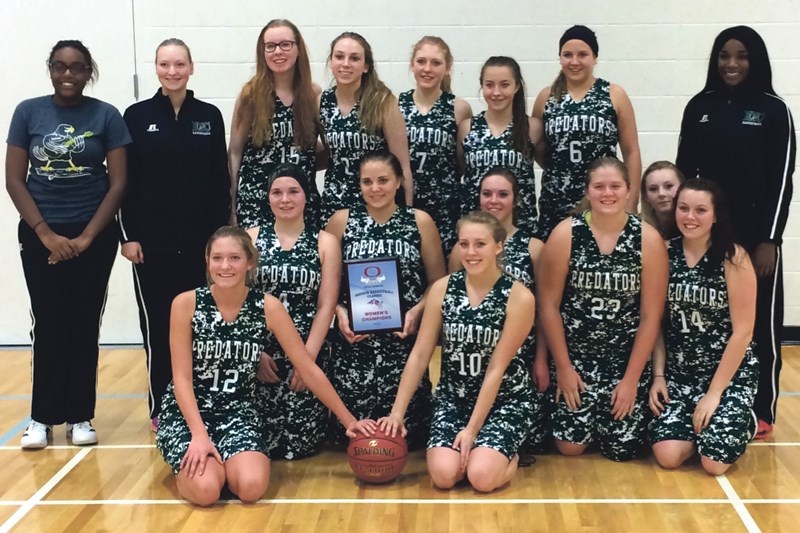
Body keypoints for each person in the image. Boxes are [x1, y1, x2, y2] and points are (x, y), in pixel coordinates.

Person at [155, 226, 374, 506]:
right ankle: (197, 465)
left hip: (238, 412)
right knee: (207, 491)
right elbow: (182, 379)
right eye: (217, 258)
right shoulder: (186, 304)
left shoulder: (266, 306)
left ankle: (223, 466)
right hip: (189, 415)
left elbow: (307, 368)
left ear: (250, 262)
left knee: (251, 488)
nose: (225, 266)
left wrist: (350, 421)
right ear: (207, 262)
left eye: (234, 258)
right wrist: (198, 435)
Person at [6, 40, 130, 449]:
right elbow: (14, 180)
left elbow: (119, 184)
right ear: (50, 69)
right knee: (48, 321)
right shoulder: (28, 112)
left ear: (88, 71)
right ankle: (42, 417)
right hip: (41, 233)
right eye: (60, 67)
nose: (68, 75)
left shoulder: (106, 115)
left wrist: (87, 238)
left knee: (83, 322)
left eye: (77, 68)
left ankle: (80, 416)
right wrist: (45, 233)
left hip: (93, 234)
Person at [676, 26, 795, 439]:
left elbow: (784, 179)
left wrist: (771, 240)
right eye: (724, 55)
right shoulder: (699, 107)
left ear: (755, 60)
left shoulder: (774, 110)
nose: (732, 64)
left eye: (742, 56)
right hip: (703, 232)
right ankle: (701, 396)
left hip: (755, 236)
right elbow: (682, 174)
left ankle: (763, 408)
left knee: (760, 323)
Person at [380, 211, 536, 492]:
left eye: (480, 244)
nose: (471, 252)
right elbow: (420, 354)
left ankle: (509, 454)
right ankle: (479, 452)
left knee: (481, 478)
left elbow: (496, 368)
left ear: (498, 246)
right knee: (443, 476)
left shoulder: (519, 297)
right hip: (454, 399)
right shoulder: (442, 289)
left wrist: (472, 431)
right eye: (464, 244)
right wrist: (396, 413)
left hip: (505, 400)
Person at [121, 38, 230, 432]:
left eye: (179, 64)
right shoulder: (135, 116)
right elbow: (125, 182)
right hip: (151, 246)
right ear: (156, 69)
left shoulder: (209, 116)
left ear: (191, 67)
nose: (172, 71)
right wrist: (128, 236)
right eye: (165, 65)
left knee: (202, 324)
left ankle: (199, 402)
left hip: (202, 245)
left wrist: (219, 242)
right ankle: (160, 405)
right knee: (158, 325)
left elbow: (221, 181)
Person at [537, 157, 668, 461]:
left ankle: (607, 418)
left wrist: (632, 380)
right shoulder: (565, 234)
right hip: (577, 362)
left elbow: (651, 317)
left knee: (622, 450)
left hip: (624, 363)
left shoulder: (647, 239)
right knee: (570, 447)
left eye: (615, 186)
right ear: (588, 191)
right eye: (599, 186)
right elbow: (549, 307)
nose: (607, 193)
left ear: (628, 190)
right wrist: (565, 369)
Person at [325, 150, 445, 448]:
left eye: (383, 180)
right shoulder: (341, 221)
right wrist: (339, 312)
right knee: (353, 442)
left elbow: (438, 283)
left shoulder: (419, 221)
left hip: (403, 344)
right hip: (354, 348)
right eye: (367, 181)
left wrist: (418, 310)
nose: (375, 188)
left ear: (399, 181)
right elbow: (327, 286)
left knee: (409, 439)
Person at [649, 179, 758, 475]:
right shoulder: (663, 253)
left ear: (716, 214)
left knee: (714, 464)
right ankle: (701, 432)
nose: (690, 217)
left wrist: (714, 394)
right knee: (667, 456)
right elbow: (655, 323)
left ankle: (740, 420)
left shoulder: (734, 258)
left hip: (726, 375)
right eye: (683, 208)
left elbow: (743, 332)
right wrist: (658, 375)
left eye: (700, 210)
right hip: (681, 374)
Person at [448, 168, 547, 451]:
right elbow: (450, 303)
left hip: (516, 363)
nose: (494, 200)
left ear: (515, 199)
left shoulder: (534, 247)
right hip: (470, 363)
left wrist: (540, 358)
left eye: (503, 194)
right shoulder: (461, 250)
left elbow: (543, 310)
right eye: (486, 193)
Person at [246, 163, 339, 459]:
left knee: (303, 447)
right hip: (264, 355)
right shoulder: (249, 239)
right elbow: (240, 303)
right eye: (277, 192)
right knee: (262, 447)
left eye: (293, 191)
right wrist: (254, 353)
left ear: (306, 195)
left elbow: (326, 305)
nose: (285, 199)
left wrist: (307, 360)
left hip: (306, 348)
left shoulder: (326, 242)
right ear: (268, 197)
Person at [532, 25, 641, 240]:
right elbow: (537, 147)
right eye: (567, 55)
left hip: (603, 197)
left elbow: (631, 151)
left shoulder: (613, 94)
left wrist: (631, 200)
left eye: (582, 54)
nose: (574, 61)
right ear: (560, 58)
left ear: (595, 57)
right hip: (556, 201)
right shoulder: (547, 97)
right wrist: (561, 169)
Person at [229, 19, 321, 229]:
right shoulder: (250, 95)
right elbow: (235, 153)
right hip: (256, 205)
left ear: (298, 49)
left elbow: (328, 148)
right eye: (270, 46)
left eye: (285, 44)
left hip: (301, 205)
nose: (278, 51)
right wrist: (232, 206)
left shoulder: (313, 95)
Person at [319, 32, 413, 226]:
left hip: (375, 201)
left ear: (366, 66)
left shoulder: (383, 102)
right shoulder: (322, 102)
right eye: (339, 56)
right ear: (331, 62)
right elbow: (327, 151)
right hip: (333, 203)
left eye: (354, 58)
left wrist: (407, 215)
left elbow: (402, 165)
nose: (346, 64)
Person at [399, 36, 472, 254]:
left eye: (436, 62)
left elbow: (461, 162)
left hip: (444, 207)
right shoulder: (395, 104)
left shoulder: (459, 108)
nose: (427, 69)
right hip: (406, 203)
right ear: (412, 64)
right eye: (421, 61)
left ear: (448, 68)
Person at [458, 56, 542, 235]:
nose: (496, 92)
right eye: (489, 85)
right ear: (482, 86)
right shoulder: (467, 127)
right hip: (476, 229)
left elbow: (549, 164)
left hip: (520, 228)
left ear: (517, 86)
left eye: (504, 85)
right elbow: (460, 171)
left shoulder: (532, 128)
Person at [640, 161, 684, 239]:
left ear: (682, 188)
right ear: (645, 196)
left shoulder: (694, 224)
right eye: (653, 189)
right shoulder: (637, 228)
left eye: (669, 186)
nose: (661, 194)